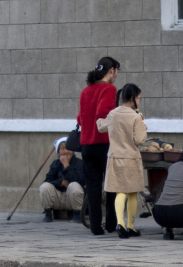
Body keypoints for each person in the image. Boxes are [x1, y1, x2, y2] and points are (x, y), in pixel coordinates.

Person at [97, 84, 148, 239]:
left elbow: (101, 127)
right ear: (133, 98)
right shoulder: (135, 116)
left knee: (120, 191)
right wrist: (143, 127)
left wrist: (99, 120)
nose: (139, 100)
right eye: (139, 97)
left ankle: (120, 223)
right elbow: (139, 139)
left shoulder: (113, 114)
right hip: (131, 158)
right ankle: (131, 226)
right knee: (132, 191)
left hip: (114, 157)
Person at [77, 56, 120, 236]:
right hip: (104, 143)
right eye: (116, 71)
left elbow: (79, 118)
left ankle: (95, 226)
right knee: (111, 185)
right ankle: (111, 223)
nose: (116, 75)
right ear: (111, 71)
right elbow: (104, 112)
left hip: (86, 143)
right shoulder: (109, 89)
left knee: (93, 186)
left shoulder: (85, 91)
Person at [39, 137, 85, 223]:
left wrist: (67, 166)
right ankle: (48, 214)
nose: (66, 151)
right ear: (58, 152)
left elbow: (80, 181)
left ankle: (77, 215)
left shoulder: (80, 163)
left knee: (74, 185)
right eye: (62, 149)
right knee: (44, 187)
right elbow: (48, 180)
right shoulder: (55, 164)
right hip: (58, 197)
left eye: (68, 148)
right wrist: (60, 182)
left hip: (73, 198)